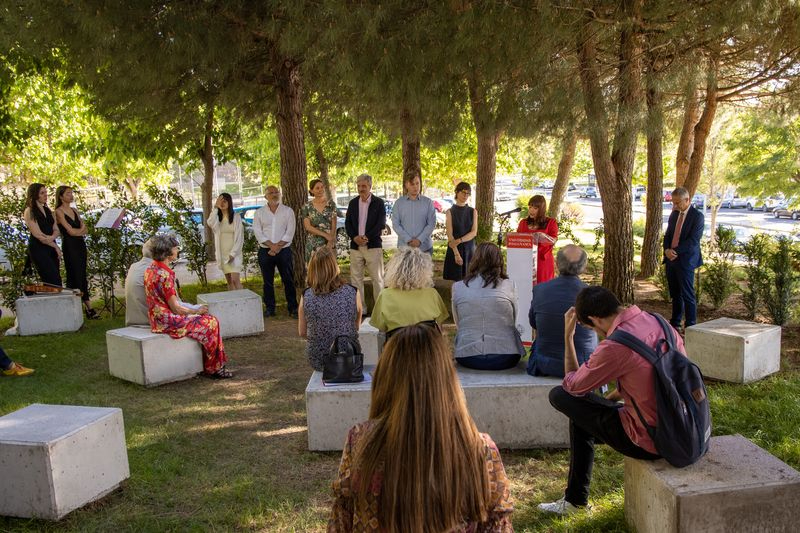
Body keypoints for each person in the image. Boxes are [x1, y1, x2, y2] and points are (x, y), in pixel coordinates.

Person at [328, 324, 514, 531]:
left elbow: (341, 523)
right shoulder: (480, 449)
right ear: (446, 379)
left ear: (385, 377)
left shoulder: (360, 440)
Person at [538, 286, 686, 515]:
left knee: (561, 397)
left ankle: (575, 501)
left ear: (595, 319)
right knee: (584, 416)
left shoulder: (615, 346)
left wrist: (568, 337)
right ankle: (574, 501)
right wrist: (613, 396)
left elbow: (572, 387)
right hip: (682, 425)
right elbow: (656, 373)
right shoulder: (658, 321)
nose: (597, 333)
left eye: (591, 328)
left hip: (650, 440)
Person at [144, 233, 232, 379]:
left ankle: (211, 365)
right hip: (167, 321)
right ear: (167, 252)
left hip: (156, 319)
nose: (177, 250)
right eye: (175, 248)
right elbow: (176, 308)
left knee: (207, 321)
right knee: (211, 322)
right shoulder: (165, 275)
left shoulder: (151, 269)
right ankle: (214, 368)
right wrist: (196, 310)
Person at [452, 242, 525, 370]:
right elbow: (514, 319)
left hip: (467, 355)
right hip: (506, 356)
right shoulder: (509, 285)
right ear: (499, 261)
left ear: (474, 260)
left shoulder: (458, 287)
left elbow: (458, 322)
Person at [527, 245, 597, 377]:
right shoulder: (592, 294)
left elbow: (533, 323)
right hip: (583, 365)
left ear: (556, 264)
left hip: (546, 364)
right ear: (584, 267)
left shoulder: (540, 289)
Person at [298, 247, 362, 371]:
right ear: (334, 266)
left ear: (312, 269)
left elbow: (302, 332)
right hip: (349, 355)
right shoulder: (353, 292)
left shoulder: (306, 295)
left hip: (318, 358)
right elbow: (355, 327)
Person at [369, 247, 448, 335]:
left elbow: (381, 329)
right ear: (425, 270)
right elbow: (440, 328)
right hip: (428, 345)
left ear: (394, 270)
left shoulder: (385, 295)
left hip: (397, 345)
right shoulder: (432, 294)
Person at [253, 186, 298, 318]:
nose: (274, 195)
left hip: (283, 251)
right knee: (267, 281)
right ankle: (270, 308)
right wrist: (271, 246)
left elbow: (290, 232)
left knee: (288, 279)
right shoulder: (259, 213)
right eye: (270, 193)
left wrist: (277, 247)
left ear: (280, 194)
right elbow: (258, 232)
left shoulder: (288, 211)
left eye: (276, 192)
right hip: (265, 251)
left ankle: (293, 307)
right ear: (265, 196)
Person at [663, 186, 704, 331]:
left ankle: (690, 325)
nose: (675, 205)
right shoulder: (674, 214)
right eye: (673, 202)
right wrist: (667, 250)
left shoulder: (697, 216)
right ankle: (675, 323)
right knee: (675, 294)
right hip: (671, 260)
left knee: (687, 294)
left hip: (686, 260)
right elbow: (668, 235)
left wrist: (675, 251)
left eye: (678, 202)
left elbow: (694, 240)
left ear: (687, 200)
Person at [54, 185, 98, 319]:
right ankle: (83, 306)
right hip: (70, 246)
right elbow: (70, 231)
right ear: (61, 196)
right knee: (74, 274)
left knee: (82, 273)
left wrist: (78, 232)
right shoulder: (59, 211)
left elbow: (85, 228)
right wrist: (78, 232)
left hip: (80, 244)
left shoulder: (74, 210)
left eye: (71, 193)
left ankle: (87, 307)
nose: (71, 196)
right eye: (68, 194)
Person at [345, 173, 386, 315]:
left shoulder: (379, 203)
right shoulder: (352, 203)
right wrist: (354, 237)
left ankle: (379, 311)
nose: (361, 189)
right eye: (358, 186)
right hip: (356, 247)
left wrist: (366, 237)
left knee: (378, 279)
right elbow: (348, 223)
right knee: (356, 279)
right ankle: (361, 310)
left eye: (364, 186)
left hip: (373, 246)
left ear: (370, 186)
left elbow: (380, 224)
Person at [23, 183, 61, 286]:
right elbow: (38, 234)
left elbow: (56, 229)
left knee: (57, 278)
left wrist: (53, 238)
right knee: (51, 278)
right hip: (38, 247)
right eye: (42, 193)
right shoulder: (29, 211)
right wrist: (56, 246)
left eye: (46, 192)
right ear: (35, 195)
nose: (45, 195)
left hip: (51, 246)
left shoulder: (48, 210)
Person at [516, 195, 558, 284]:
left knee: (542, 289)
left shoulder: (551, 222)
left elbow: (554, 240)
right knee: (525, 288)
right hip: (525, 261)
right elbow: (518, 240)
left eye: (535, 208)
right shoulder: (523, 223)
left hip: (542, 262)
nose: (531, 210)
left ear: (542, 209)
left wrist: (543, 236)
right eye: (530, 207)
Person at [206, 192, 244, 291]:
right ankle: (233, 303)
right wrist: (215, 207)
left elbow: (240, 238)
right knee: (230, 281)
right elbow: (210, 222)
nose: (222, 203)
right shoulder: (217, 218)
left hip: (234, 254)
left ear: (229, 203)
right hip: (222, 254)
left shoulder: (236, 217)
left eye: (225, 201)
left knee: (236, 280)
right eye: (220, 201)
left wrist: (233, 254)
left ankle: (243, 302)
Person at [391, 173, 436, 254]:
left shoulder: (428, 202)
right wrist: (408, 240)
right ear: (406, 185)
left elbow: (431, 224)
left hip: (425, 248)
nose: (415, 186)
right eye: (412, 184)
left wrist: (419, 240)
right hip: (404, 249)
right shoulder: (399, 203)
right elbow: (396, 224)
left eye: (417, 183)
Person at [443, 181, 478, 281]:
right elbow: (450, 235)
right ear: (457, 192)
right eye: (463, 192)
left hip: (469, 250)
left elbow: (473, 232)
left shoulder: (473, 211)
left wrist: (459, 240)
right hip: (454, 250)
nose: (465, 195)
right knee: (455, 282)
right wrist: (456, 254)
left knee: (470, 280)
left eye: (468, 193)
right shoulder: (450, 212)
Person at [300, 179, 338, 262]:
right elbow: (308, 227)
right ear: (311, 191)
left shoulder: (331, 204)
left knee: (329, 271)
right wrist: (325, 235)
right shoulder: (306, 207)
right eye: (317, 188)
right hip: (313, 243)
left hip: (329, 242)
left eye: (322, 187)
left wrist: (330, 242)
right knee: (314, 272)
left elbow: (334, 225)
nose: (320, 190)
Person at [125, 239, 154, 326]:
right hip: (149, 323)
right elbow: (174, 307)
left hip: (133, 320)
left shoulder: (134, 266)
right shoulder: (154, 270)